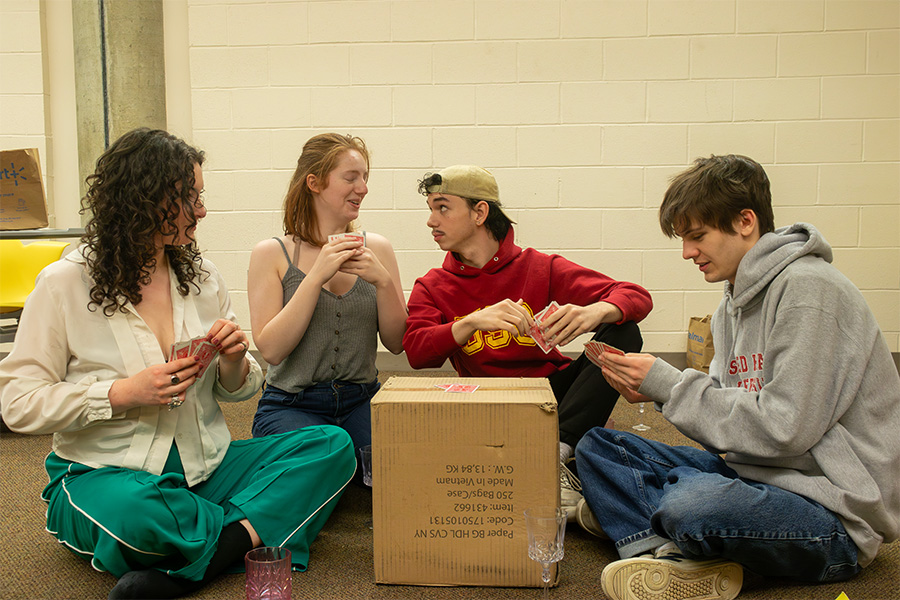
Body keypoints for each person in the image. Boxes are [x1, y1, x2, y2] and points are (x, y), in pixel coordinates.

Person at [0, 128, 356, 600]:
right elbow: (18, 404)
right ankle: (247, 532)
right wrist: (122, 393)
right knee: (136, 514)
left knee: (332, 446)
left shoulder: (201, 277)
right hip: (106, 474)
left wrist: (233, 358)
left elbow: (241, 386)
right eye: (191, 198)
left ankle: (207, 556)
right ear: (143, 199)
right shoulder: (64, 284)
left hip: (208, 468)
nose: (203, 211)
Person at [575, 154, 900, 600]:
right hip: (755, 476)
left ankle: (646, 529)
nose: (687, 252)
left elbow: (785, 430)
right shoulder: (731, 304)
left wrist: (672, 386)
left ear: (745, 221)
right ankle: (665, 551)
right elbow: (730, 438)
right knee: (598, 446)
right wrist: (656, 394)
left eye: (696, 236)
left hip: (830, 512)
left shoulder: (810, 290)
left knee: (694, 504)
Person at [403, 165, 653, 518]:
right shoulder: (432, 285)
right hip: (490, 404)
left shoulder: (539, 266)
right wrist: (472, 322)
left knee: (624, 330)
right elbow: (415, 351)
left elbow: (636, 296)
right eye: (430, 208)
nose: (431, 220)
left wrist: (595, 312)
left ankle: (557, 454)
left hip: (552, 396)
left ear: (479, 212)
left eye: (442, 207)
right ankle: (576, 457)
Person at [248, 133, 406, 467]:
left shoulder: (377, 248)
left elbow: (395, 343)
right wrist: (316, 275)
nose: (362, 188)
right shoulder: (272, 254)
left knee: (400, 467)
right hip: (292, 403)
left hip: (360, 399)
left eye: (365, 178)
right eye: (351, 177)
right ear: (314, 183)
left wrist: (384, 282)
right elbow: (272, 350)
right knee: (320, 464)